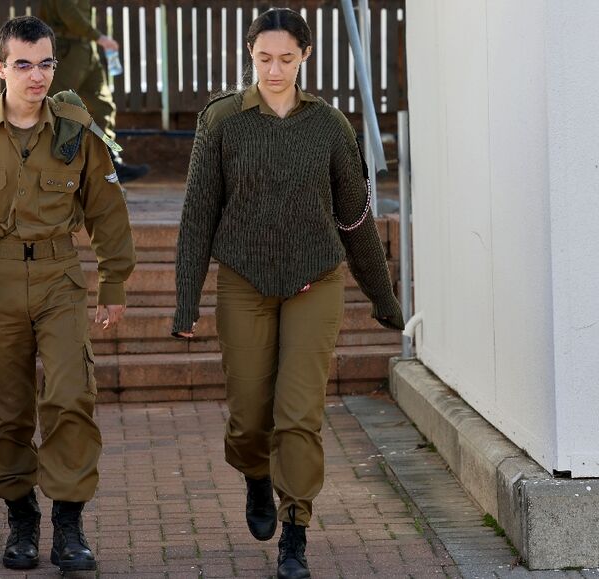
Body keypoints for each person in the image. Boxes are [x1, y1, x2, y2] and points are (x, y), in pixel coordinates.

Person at [172, 8, 404, 579]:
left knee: (298, 414)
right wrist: (186, 299)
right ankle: (256, 476)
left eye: (285, 58)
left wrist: (383, 297)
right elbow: (199, 215)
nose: (273, 69)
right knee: (251, 417)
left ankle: (295, 528)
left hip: (315, 281)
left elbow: (354, 219)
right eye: (262, 58)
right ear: (249, 55)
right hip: (244, 282)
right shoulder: (223, 120)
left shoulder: (329, 126)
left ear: (305, 57)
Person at [0, 16, 135, 573]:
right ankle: (20, 521)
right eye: (23, 64)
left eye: (45, 64)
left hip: (61, 277)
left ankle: (68, 525)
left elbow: (108, 211)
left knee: (69, 398)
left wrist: (113, 281)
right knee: (2, 409)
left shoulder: (74, 128)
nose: (36, 77)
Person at [39, 0, 149, 183]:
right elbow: (69, 14)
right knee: (55, 107)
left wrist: (94, 40)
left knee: (102, 106)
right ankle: (45, 163)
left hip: (86, 49)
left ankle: (110, 163)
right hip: (66, 50)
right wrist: (99, 37)